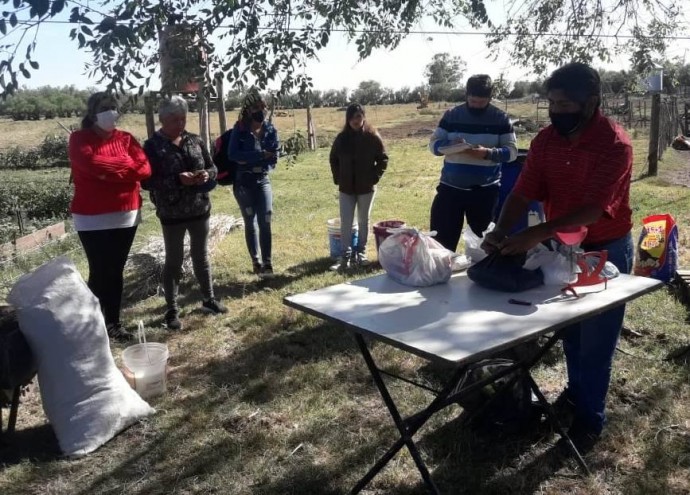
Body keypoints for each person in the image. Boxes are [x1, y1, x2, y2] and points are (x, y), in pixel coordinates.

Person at [481, 62, 634, 453]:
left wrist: (535, 233)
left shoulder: (614, 145)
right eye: (551, 102)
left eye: (565, 103)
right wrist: (501, 229)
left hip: (605, 251)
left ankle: (588, 423)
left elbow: (592, 211)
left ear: (591, 103)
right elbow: (522, 190)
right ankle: (574, 393)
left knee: (597, 343)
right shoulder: (547, 141)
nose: (556, 110)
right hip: (563, 250)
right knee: (571, 333)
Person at [68, 92, 152, 341]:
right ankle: (91, 324)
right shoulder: (79, 138)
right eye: (105, 107)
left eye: (114, 107)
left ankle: (113, 323)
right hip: (92, 217)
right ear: (92, 112)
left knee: (115, 270)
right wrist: (126, 169)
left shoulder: (126, 138)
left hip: (126, 213)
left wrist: (110, 171)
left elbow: (145, 168)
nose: (111, 112)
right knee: (99, 271)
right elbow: (91, 164)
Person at [142, 95, 228, 331]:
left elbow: (212, 166)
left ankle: (209, 300)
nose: (180, 124)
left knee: (201, 256)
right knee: (174, 261)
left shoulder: (195, 140)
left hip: (200, 208)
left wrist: (206, 175)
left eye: (183, 119)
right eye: (174, 120)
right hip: (172, 213)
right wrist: (177, 180)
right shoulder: (152, 146)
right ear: (162, 119)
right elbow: (147, 181)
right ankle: (172, 310)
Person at [429, 74, 518, 252]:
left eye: (481, 102)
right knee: (441, 244)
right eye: (473, 101)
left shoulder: (501, 118)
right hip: (450, 190)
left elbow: (512, 153)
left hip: (484, 192)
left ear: (490, 98)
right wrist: (450, 145)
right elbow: (433, 146)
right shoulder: (451, 115)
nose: (476, 105)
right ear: (466, 95)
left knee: (482, 245)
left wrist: (487, 154)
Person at [329, 103, 388, 271]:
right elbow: (333, 158)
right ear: (347, 119)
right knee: (346, 222)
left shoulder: (372, 136)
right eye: (352, 117)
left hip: (366, 188)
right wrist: (338, 178)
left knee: (363, 220)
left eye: (358, 117)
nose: (355, 121)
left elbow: (383, 159)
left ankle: (361, 253)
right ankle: (345, 256)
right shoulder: (341, 139)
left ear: (364, 117)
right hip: (346, 188)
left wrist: (374, 177)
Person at [228, 89, 280, 278]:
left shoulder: (271, 129)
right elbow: (233, 155)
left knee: (265, 219)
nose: (261, 110)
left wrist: (252, 159)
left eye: (263, 106)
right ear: (248, 110)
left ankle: (267, 263)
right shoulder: (240, 129)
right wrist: (259, 155)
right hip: (243, 182)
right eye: (256, 107)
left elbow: (274, 156)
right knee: (250, 221)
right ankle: (256, 261)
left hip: (263, 179)